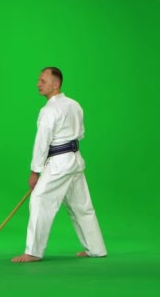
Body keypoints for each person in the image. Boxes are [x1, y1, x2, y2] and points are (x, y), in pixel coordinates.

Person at [11, 67, 108, 263]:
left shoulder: (49, 111)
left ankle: (33, 252)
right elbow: (80, 133)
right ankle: (96, 249)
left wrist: (35, 172)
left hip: (59, 163)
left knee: (39, 200)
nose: (38, 84)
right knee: (81, 206)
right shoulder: (74, 105)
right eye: (39, 80)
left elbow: (42, 142)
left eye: (43, 81)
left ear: (56, 84)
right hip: (75, 159)